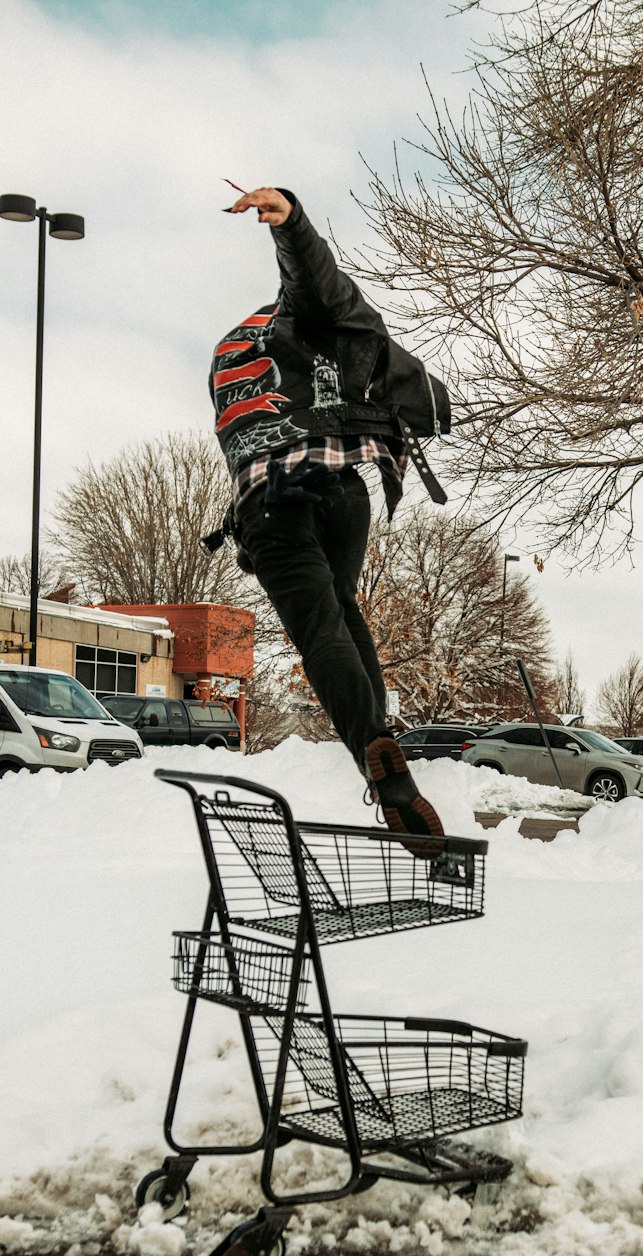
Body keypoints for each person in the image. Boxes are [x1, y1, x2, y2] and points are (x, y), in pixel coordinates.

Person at [207, 185, 450, 855]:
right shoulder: (307, 312)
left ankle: (374, 749)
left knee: (319, 629)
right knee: (343, 611)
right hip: (341, 489)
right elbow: (318, 279)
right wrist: (291, 220)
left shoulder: (227, 352)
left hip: (267, 500)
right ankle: (383, 739)